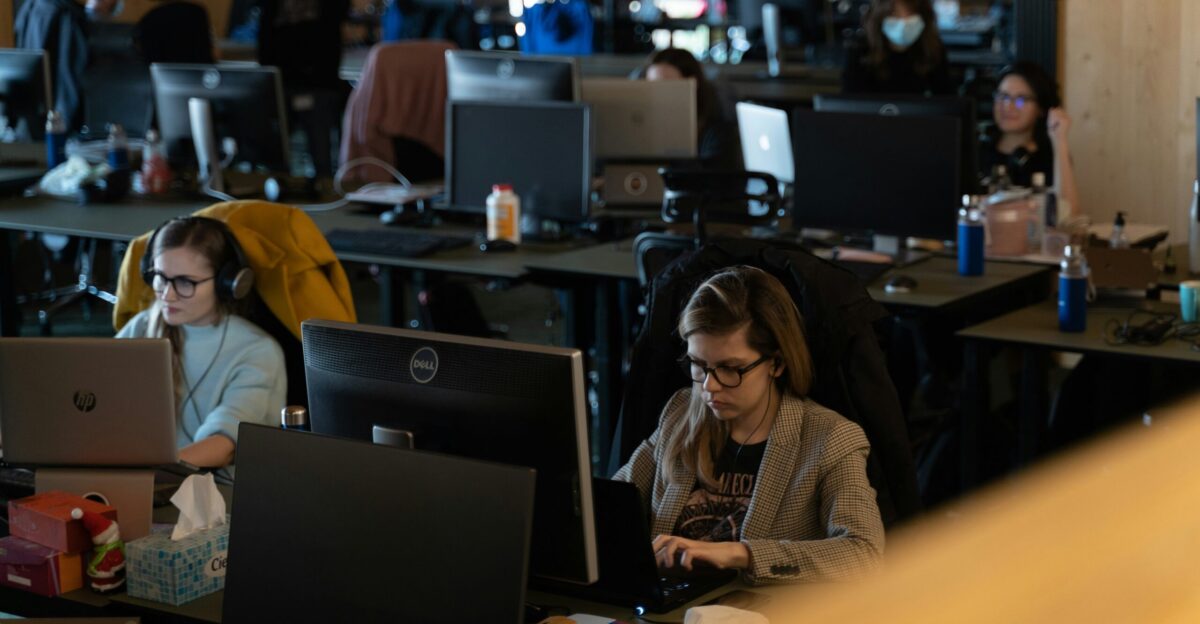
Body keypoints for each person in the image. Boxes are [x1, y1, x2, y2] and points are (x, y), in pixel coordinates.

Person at [613, 266, 884, 583]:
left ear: (777, 363)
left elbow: (863, 554)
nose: (710, 386)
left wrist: (740, 553)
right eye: (699, 366)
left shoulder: (829, 439)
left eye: (730, 368)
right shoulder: (680, 415)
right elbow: (610, 506)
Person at [116, 217, 286, 476]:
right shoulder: (142, 327)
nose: (168, 295)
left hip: (216, 493)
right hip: (148, 479)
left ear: (227, 283)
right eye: (160, 277)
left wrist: (148, 473)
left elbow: (224, 443)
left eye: (186, 282)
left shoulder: (257, 352)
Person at [979, 61, 1081, 217]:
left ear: (1041, 108)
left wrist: (1060, 141)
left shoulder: (1049, 154)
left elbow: (1069, 214)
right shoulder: (977, 148)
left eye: (1021, 100)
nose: (1008, 106)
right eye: (1003, 96)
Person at [14, 0, 121, 133]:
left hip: (36, 126)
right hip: (62, 128)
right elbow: (68, 87)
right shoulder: (68, 18)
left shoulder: (30, 8)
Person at [641, 49, 742, 170]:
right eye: (652, 86)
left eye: (667, 86)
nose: (658, 93)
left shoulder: (717, 131)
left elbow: (712, 180)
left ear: (693, 84)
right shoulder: (642, 127)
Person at [841, 0, 952, 96]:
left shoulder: (933, 49)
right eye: (894, 14)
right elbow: (851, 102)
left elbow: (947, 99)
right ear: (880, 16)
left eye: (910, 13)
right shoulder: (859, 50)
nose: (903, 22)